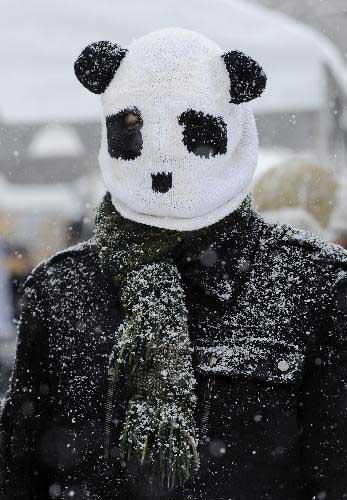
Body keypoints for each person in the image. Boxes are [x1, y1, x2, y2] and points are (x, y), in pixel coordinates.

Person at [1, 28, 346, 500]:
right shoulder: (61, 290)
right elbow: (20, 469)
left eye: (194, 132)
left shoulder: (316, 286)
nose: (161, 157)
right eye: (131, 126)